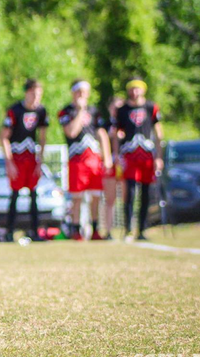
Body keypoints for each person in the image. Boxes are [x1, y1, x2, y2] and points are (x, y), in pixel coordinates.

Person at [58, 81, 112, 240]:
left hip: (94, 160)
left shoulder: (95, 111)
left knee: (96, 196)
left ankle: (95, 229)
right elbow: (71, 133)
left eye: (85, 91)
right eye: (79, 91)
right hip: (77, 160)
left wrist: (107, 158)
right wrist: (80, 111)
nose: (82, 95)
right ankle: (76, 230)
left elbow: (101, 134)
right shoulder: (66, 112)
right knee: (77, 197)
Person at [112, 79, 164, 241]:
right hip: (129, 155)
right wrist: (116, 155)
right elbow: (115, 134)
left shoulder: (151, 107)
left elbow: (158, 133)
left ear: (143, 90)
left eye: (137, 89)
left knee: (146, 194)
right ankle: (128, 228)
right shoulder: (122, 110)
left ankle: (142, 229)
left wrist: (159, 157)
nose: (135, 92)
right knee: (131, 192)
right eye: (132, 89)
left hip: (147, 156)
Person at [1, 79, 48, 241]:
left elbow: (42, 138)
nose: (36, 97)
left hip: (31, 157)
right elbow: (4, 138)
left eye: (39, 94)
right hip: (17, 156)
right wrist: (9, 162)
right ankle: (9, 232)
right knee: (15, 194)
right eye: (34, 93)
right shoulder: (15, 110)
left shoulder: (41, 111)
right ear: (27, 92)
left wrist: (40, 161)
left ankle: (35, 231)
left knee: (33, 194)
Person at [100, 96, 125, 239]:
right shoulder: (105, 125)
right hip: (110, 164)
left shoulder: (126, 123)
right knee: (110, 199)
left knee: (127, 196)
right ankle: (108, 230)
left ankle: (128, 229)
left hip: (124, 163)